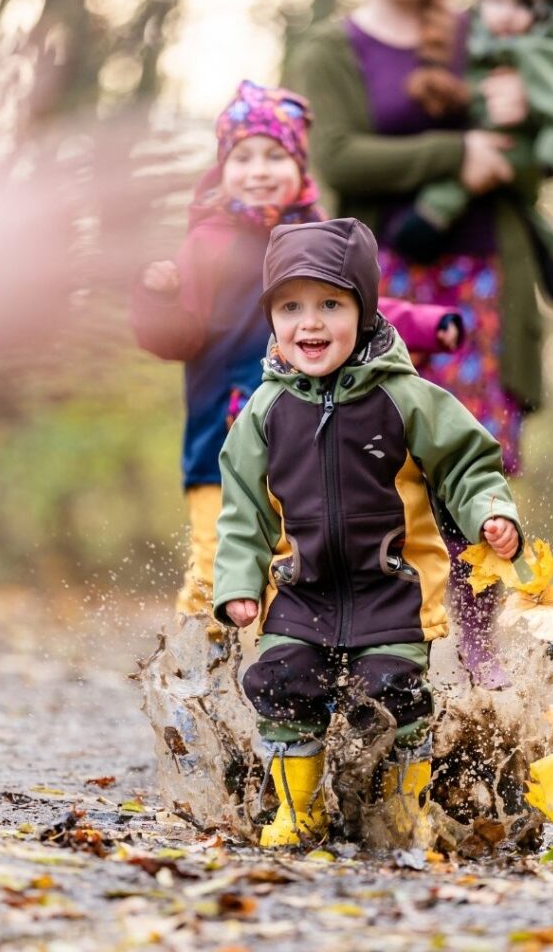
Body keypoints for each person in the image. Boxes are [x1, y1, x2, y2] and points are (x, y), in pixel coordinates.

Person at [286, 0, 553, 688]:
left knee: (473, 466)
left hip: (484, 281)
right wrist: (456, 154)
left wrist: (526, 111)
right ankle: (379, 654)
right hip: (381, 282)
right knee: (373, 465)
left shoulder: (479, 34)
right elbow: (337, 160)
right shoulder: (333, 49)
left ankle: (484, 668)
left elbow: (542, 146)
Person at [212, 218, 523, 847]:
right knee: (282, 683)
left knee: (395, 697)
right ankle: (299, 810)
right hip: (300, 593)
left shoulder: (407, 398)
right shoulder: (265, 413)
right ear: (271, 316)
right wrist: (238, 583)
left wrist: (490, 510)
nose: (310, 324)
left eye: (331, 304)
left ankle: (399, 808)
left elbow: (467, 461)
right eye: (291, 307)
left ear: (363, 307)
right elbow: (243, 508)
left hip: (393, 593)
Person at [132, 80, 463, 627]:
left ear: (300, 167)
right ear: (222, 168)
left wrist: (429, 324)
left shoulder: (322, 241)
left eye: (274, 155)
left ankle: (288, 672)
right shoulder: (206, 247)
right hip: (221, 438)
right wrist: (158, 299)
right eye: (243, 156)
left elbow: (370, 311)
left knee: (294, 568)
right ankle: (198, 674)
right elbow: (176, 339)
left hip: (307, 444)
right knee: (216, 562)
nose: (258, 169)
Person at [393, 0, 553, 276]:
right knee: (516, 201)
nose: (506, 14)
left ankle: (428, 220)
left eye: (521, 6)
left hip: (516, 146)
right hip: (482, 136)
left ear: (541, 15)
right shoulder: (472, 40)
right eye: (498, 2)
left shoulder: (542, 52)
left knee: (458, 183)